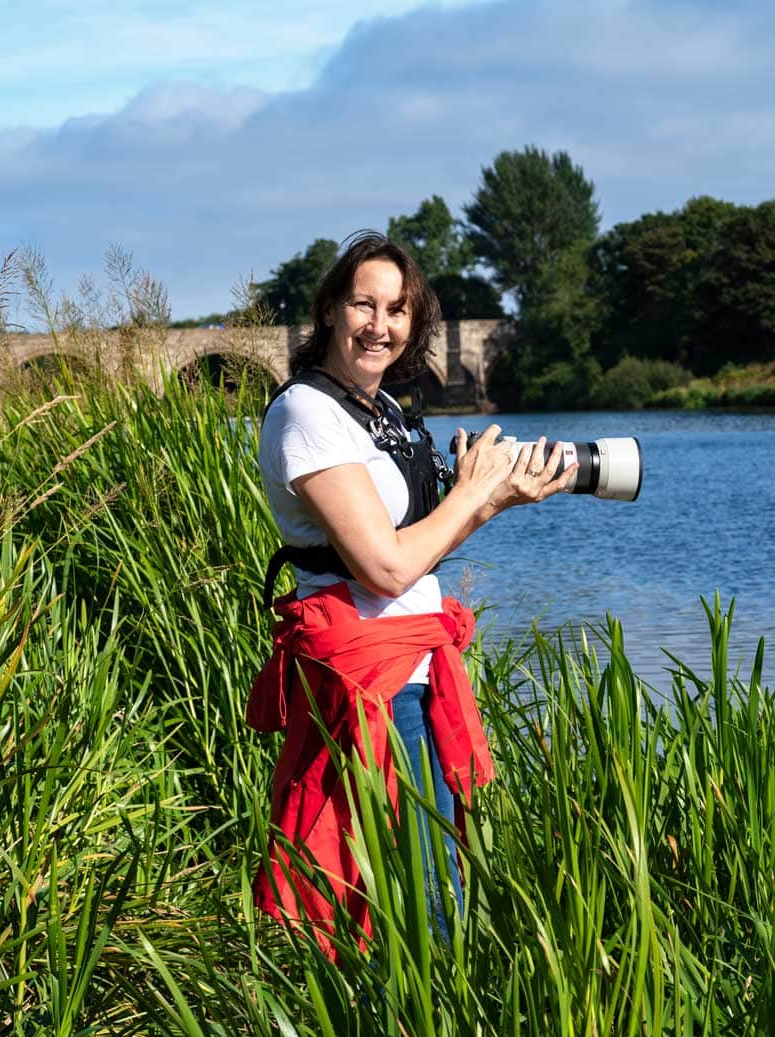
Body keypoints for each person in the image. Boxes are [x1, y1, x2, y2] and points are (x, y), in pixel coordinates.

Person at [246, 230, 574, 951]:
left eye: (396, 310)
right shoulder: (308, 414)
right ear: (331, 309)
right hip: (371, 681)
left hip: (415, 669)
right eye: (364, 303)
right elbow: (386, 568)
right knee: (415, 895)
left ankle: (404, 1034)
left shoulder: (382, 411)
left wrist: (494, 498)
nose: (380, 324)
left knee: (434, 878)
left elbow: (419, 547)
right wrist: (473, 494)